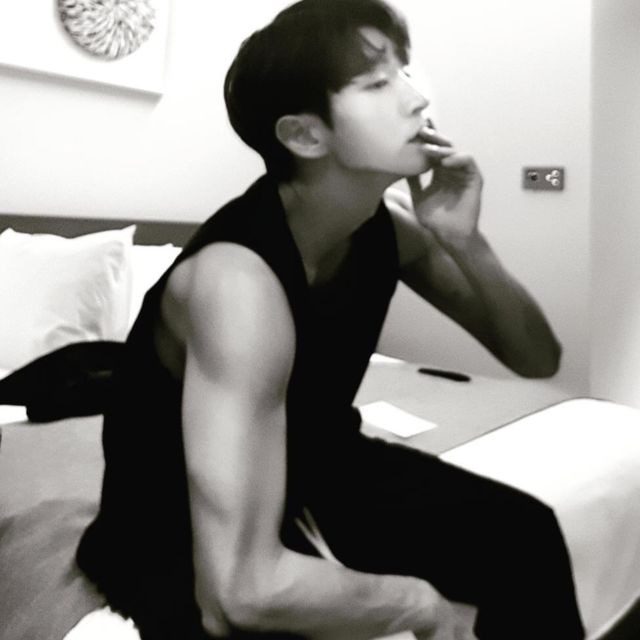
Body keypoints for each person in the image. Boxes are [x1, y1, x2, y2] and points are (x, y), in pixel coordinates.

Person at [76, 1, 585, 638]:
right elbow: (237, 594)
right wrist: (419, 605)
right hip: (172, 516)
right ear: (305, 136)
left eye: (405, 72)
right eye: (377, 83)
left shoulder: (390, 230)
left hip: (320, 460)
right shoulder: (236, 283)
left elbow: (536, 358)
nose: (417, 98)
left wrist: (465, 241)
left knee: (526, 535)